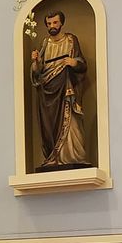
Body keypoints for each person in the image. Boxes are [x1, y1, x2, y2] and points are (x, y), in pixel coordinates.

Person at [30, 10, 91, 169]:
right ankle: (53, 157)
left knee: (71, 125)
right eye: (49, 24)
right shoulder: (44, 44)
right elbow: (37, 74)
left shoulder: (71, 41)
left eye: (55, 23)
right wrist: (35, 62)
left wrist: (73, 62)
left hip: (66, 90)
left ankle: (73, 156)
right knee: (49, 126)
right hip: (48, 94)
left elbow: (82, 65)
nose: (52, 26)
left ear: (61, 23)